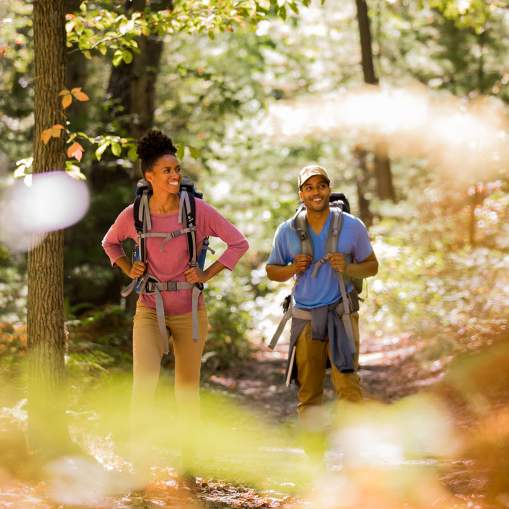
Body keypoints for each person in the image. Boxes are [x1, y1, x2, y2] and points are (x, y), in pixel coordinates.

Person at [102, 130, 249, 421]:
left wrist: (206, 274)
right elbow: (110, 242)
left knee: (187, 391)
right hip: (149, 308)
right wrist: (128, 267)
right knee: (143, 387)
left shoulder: (198, 211)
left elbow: (239, 243)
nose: (175, 175)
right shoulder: (134, 214)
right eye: (166, 170)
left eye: (177, 169)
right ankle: (139, 456)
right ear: (149, 176)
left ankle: (188, 459)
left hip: (190, 311)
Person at [266, 165, 378, 420]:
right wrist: (293, 267)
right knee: (309, 391)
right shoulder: (287, 230)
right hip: (305, 318)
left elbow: (372, 266)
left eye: (321, 186)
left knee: (349, 387)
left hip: (342, 314)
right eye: (309, 187)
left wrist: (348, 267)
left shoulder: (352, 226)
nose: (316, 192)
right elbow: (272, 270)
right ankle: (313, 456)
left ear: (329, 189)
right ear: (301, 194)